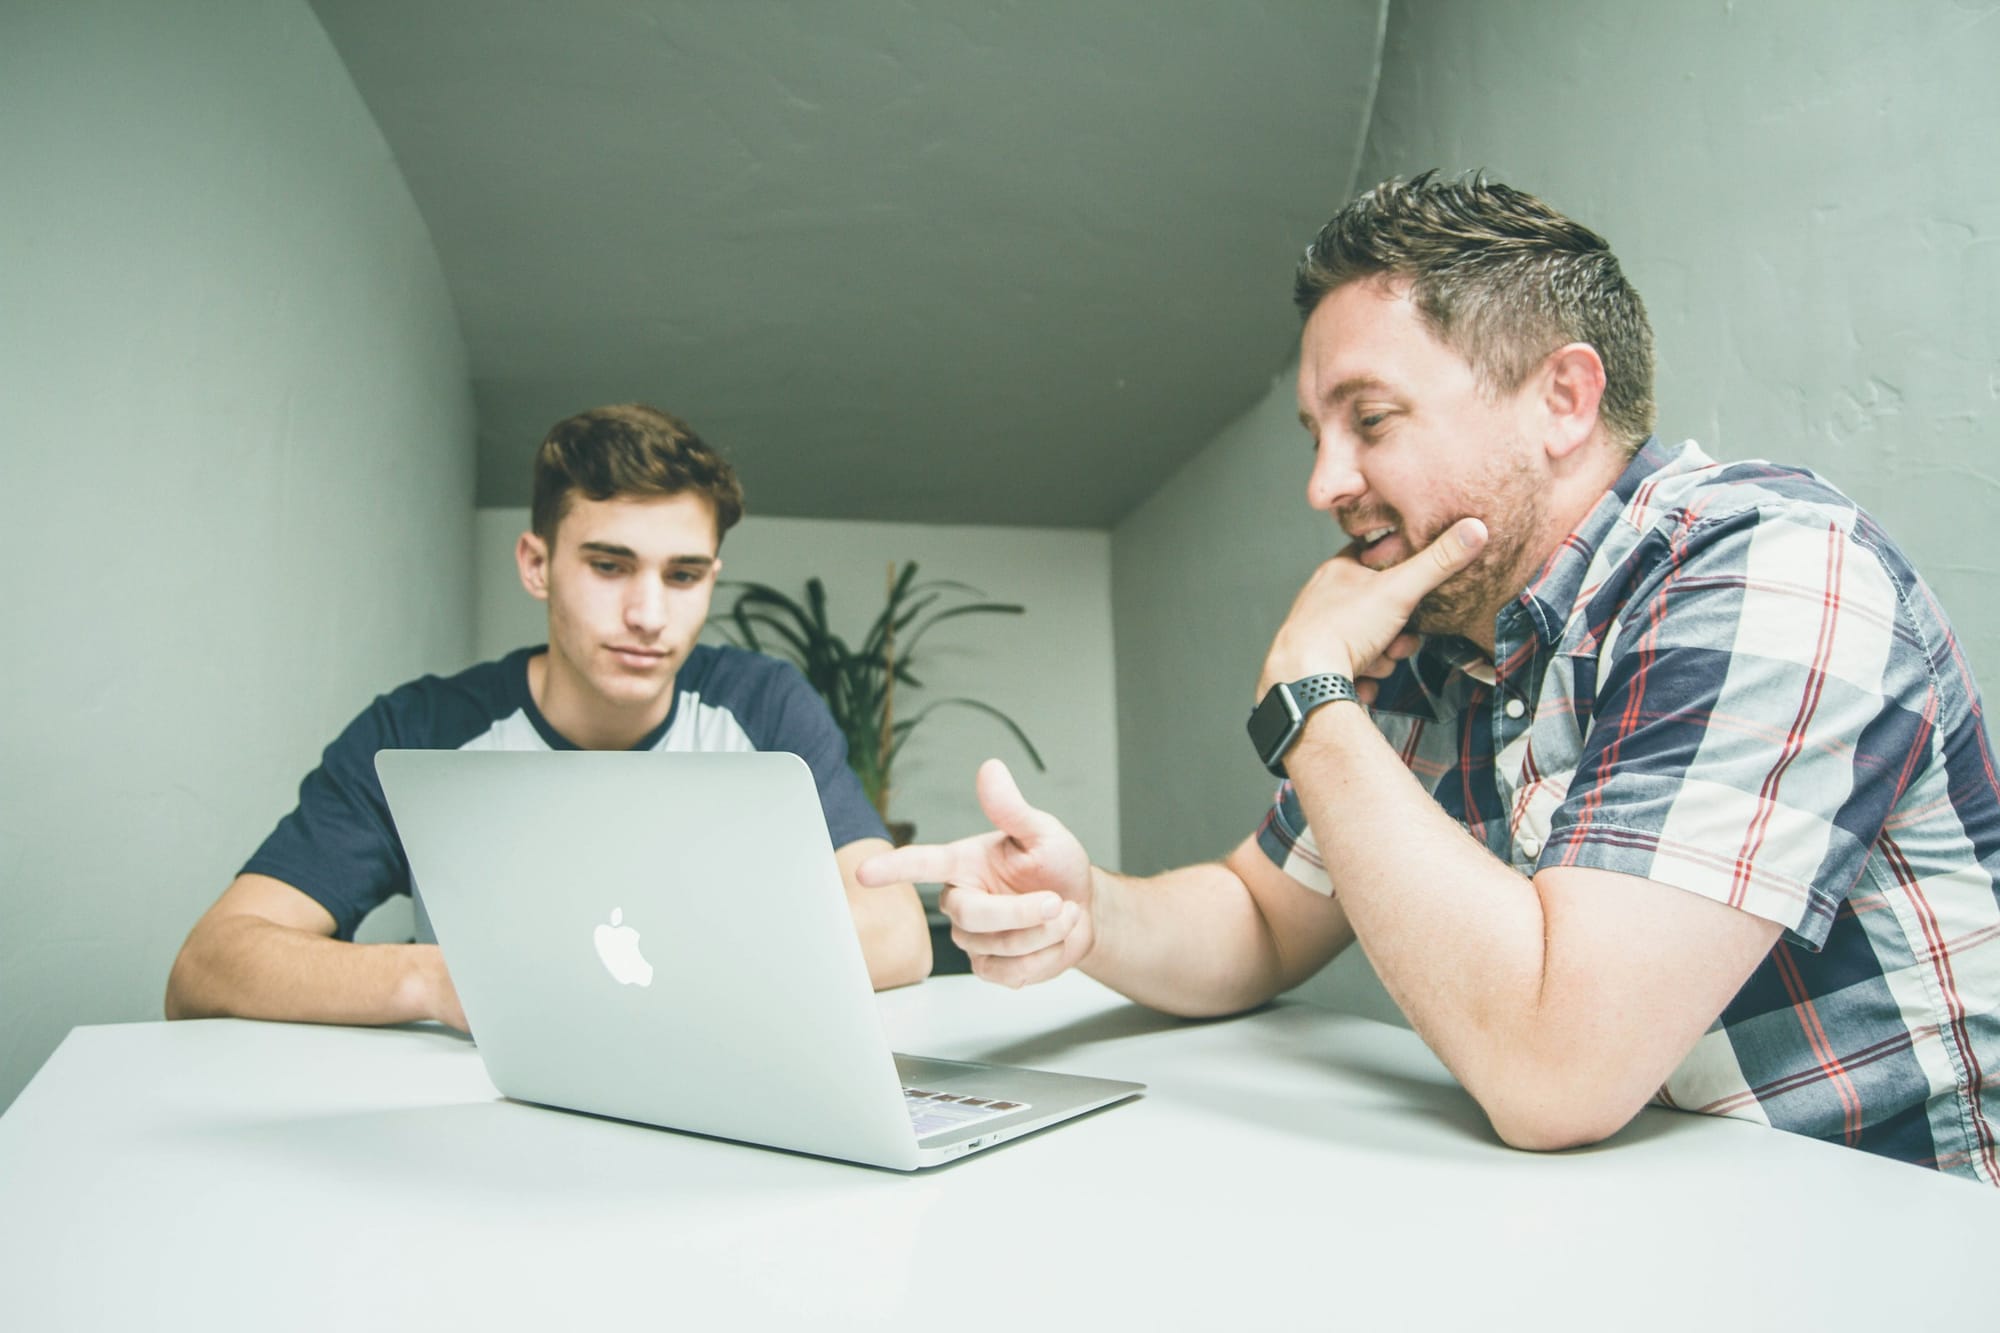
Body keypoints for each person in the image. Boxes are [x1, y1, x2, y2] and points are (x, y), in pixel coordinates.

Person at [862, 173, 2000, 1182]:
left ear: (1562, 398)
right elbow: (1262, 914)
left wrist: (1310, 693)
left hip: (1895, 1233)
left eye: (1369, 420)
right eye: (1316, 432)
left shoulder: (1767, 568)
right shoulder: (1447, 630)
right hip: (1639, 1214)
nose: (1323, 482)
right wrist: (1087, 909)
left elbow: (1556, 1072)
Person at [168, 403, 930, 1029]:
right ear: (537, 564)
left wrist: (627, 969)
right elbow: (209, 964)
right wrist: (440, 980)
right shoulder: (421, 730)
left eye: (684, 574)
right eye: (609, 565)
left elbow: (897, 934)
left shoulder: (762, 706)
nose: (648, 614)